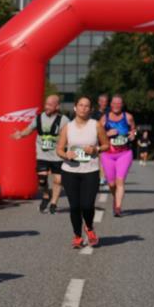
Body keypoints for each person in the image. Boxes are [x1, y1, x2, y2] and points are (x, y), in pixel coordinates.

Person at [57, 96, 110, 248]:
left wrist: (96, 149)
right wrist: (66, 154)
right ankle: (77, 236)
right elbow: (59, 149)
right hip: (69, 171)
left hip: (90, 171)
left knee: (87, 205)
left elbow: (106, 145)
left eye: (87, 106)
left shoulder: (96, 125)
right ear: (75, 108)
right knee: (74, 206)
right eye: (80, 105)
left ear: (91, 109)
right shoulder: (68, 127)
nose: (83, 108)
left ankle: (89, 227)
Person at [11, 93, 69, 214]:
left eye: (50, 105)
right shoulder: (39, 118)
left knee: (58, 180)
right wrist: (21, 134)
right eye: (46, 104)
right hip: (42, 154)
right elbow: (29, 129)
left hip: (57, 155)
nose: (47, 107)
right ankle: (46, 195)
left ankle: (54, 202)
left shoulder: (63, 120)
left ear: (57, 107)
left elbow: (70, 135)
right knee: (42, 179)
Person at [99, 95, 136, 217]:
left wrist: (132, 135)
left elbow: (133, 130)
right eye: (114, 103)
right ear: (111, 105)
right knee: (111, 184)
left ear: (122, 105)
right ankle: (115, 199)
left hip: (124, 153)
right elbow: (97, 134)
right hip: (108, 154)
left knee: (120, 181)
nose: (116, 105)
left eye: (119, 103)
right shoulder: (104, 118)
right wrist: (107, 133)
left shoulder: (128, 117)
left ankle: (118, 207)